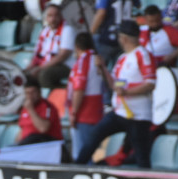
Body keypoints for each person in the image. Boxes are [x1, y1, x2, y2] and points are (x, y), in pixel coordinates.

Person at [75, 19, 156, 168]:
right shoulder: (121, 58)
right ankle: (76, 166)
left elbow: (150, 83)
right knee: (95, 135)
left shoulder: (142, 54)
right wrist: (103, 68)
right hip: (120, 112)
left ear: (123, 38)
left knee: (141, 155)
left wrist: (127, 92)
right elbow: (114, 85)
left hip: (138, 115)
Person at [67, 31, 104, 161]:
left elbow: (79, 89)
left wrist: (74, 112)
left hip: (85, 113)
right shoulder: (97, 59)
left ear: (76, 47)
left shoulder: (83, 61)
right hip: (96, 109)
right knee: (92, 151)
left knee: (84, 153)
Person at [25, 2, 76, 89]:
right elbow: (37, 54)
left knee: (44, 75)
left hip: (64, 66)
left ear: (60, 16)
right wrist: (29, 68)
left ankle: (53, 98)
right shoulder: (44, 31)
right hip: (46, 64)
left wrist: (40, 68)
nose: (53, 19)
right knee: (25, 75)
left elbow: (62, 56)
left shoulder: (67, 30)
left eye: (56, 15)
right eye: (50, 16)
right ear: (46, 18)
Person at [15, 78, 64, 145]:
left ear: (39, 92)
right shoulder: (25, 107)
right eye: (27, 93)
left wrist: (30, 109)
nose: (30, 96)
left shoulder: (47, 106)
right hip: (30, 145)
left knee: (32, 138)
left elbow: (43, 128)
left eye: (33, 92)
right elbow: (23, 130)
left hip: (47, 144)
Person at [90, 0, 140, 66]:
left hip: (107, 37)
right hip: (124, 38)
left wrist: (90, 33)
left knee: (99, 67)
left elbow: (101, 13)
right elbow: (137, 7)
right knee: (118, 69)